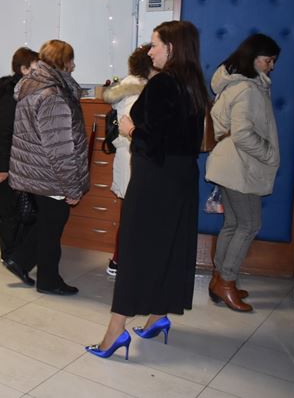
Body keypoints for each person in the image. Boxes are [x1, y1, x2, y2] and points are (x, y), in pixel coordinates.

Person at [87, 20, 207, 360]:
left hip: (154, 179)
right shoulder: (194, 84)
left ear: (171, 47)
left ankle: (115, 333)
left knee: (136, 252)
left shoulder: (163, 84)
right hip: (182, 179)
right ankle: (158, 317)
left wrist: (130, 129)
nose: (149, 51)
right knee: (170, 248)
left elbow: (152, 144)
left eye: (154, 44)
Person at [4, 39, 89, 294]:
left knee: (49, 221)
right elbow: (60, 148)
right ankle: (48, 281)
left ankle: (20, 260)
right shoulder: (52, 95)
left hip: (35, 171)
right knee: (53, 226)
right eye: (71, 60)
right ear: (63, 62)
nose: (74, 65)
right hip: (50, 174)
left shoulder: (33, 88)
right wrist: (72, 187)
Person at [206, 33, 280, 312]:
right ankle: (226, 281)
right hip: (239, 166)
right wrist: (270, 154)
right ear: (253, 58)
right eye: (268, 60)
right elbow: (243, 134)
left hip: (231, 164)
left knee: (233, 224)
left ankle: (219, 280)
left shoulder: (237, 84)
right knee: (249, 225)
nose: (271, 66)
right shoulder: (248, 89)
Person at [101, 44, 156, 276]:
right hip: (134, 155)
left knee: (130, 213)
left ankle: (120, 259)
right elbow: (138, 127)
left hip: (128, 156)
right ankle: (120, 260)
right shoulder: (140, 90)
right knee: (134, 215)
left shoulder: (126, 87)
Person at [0, 46, 39, 261]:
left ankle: (19, 253)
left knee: (24, 210)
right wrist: (2, 168)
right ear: (23, 69)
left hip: (25, 160)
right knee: (11, 212)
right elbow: (3, 132)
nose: (39, 73)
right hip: (11, 162)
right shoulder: (11, 94)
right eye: (35, 69)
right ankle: (8, 254)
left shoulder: (29, 91)